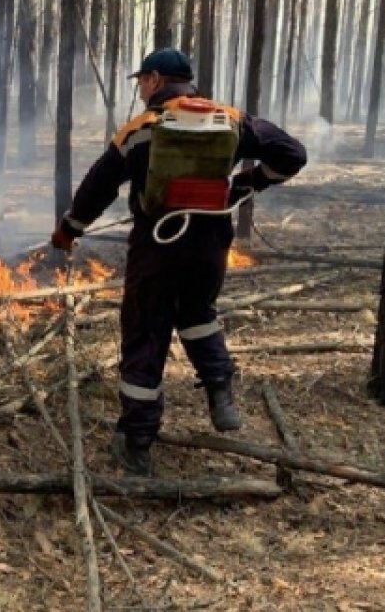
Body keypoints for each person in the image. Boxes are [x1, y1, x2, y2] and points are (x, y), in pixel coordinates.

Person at [51, 47, 306, 476]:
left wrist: (70, 229)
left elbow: (99, 186)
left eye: (141, 82)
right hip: (210, 242)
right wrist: (247, 183)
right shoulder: (231, 118)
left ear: (154, 80)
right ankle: (220, 389)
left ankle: (137, 441)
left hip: (158, 243)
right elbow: (292, 154)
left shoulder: (142, 129)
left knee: (146, 331)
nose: (140, 89)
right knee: (198, 313)